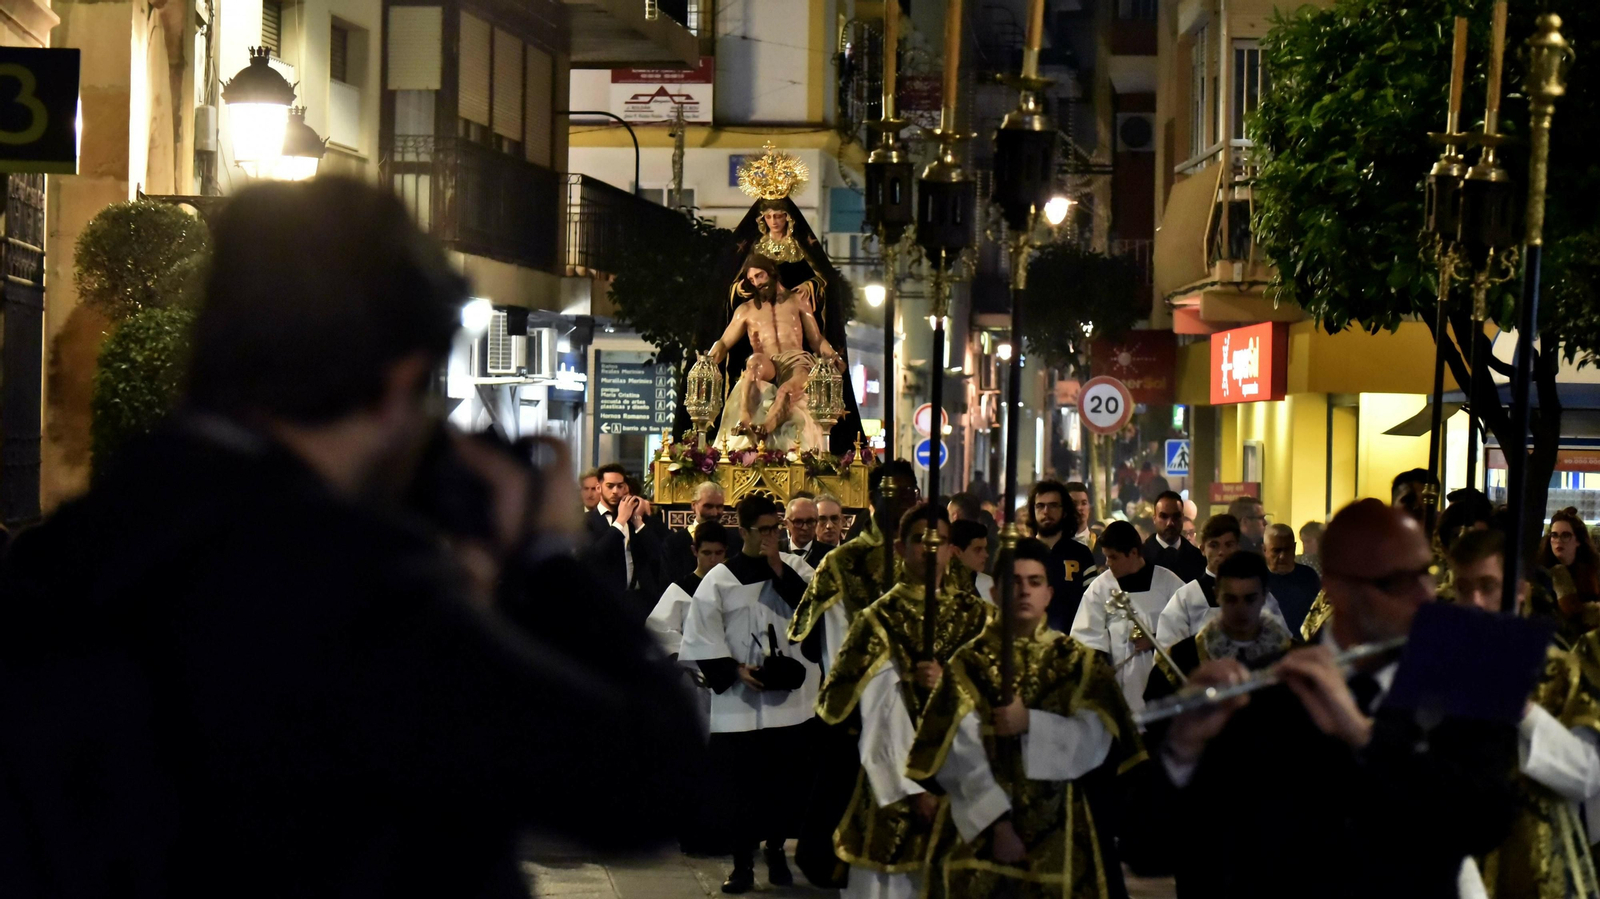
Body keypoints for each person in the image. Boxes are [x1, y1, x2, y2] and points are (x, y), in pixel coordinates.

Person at [0, 177, 705, 896]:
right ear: (400, 380)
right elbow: (651, 777)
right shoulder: (359, 591)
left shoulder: (64, 557)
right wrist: (547, 555)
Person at [1151, 499, 1521, 898]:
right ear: (1338, 589)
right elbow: (1153, 850)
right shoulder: (1269, 689)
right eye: (1397, 582)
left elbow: (1487, 820)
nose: (1424, 597)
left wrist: (1365, 737)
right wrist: (1182, 753)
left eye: (1426, 575)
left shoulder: (1458, 685)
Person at [907, 538, 1146, 898]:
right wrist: (996, 822)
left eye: (1034, 582)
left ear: (1049, 593)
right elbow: (956, 751)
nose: (1024, 591)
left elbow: (1096, 740)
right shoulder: (968, 662)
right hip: (978, 831)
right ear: (995, 590)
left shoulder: (1076, 662)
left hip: (1061, 823)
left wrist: (1031, 723)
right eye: (1014, 582)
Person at [814, 504, 993, 899]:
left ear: (952, 550)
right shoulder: (878, 619)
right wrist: (912, 788)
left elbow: (996, 699)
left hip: (965, 781)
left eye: (940, 542)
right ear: (899, 548)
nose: (930, 551)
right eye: (919, 541)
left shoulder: (979, 616)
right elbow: (879, 713)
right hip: (895, 788)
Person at [679, 494, 820, 893]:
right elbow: (700, 636)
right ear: (742, 532)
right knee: (739, 789)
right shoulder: (720, 579)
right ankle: (742, 864)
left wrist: (777, 567)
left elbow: (815, 616)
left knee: (784, 787)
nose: (772, 537)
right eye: (764, 531)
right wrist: (736, 670)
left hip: (790, 705)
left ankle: (776, 852)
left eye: (776, 528)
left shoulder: (797, 569)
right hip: (738, 705)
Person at [790, 461, 920, 674]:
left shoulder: (927, 556)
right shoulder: (842, 561)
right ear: (873, 499)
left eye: (910, 492)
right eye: (892, 492)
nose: (903, 500)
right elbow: (811, 640)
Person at [1146, 551, 1294, 704]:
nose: (1240, 609)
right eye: (1231, 599)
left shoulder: (1291, 658)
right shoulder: (1181, 659)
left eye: (1250, 599)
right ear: (1216, 594)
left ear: (1264, 595)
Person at [1070, 521, 1186, 715]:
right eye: (1106, 557)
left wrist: (1156, 640)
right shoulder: (1101, 587)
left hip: (1162, 690)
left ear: (1133, 553)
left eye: (1113, 557)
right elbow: (1086, 636)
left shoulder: (1168, 583)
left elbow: (1188, 631)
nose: (1107, 563)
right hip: (1118, 688)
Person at [1156, 514, 1287, 652]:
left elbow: (1281, 642)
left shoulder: (1258, 594)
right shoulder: (1185, 598)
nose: (1222, 552)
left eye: (1229, 545)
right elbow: (1169, 653)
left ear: (1238, 547)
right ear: (1202, 549)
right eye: (1214, 545)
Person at [581, 461, 665, 616]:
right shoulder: (586, 521)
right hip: (605, 602)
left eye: (620, 486)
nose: (615, 491)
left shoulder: (634, 518)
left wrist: (637, 521)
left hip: (641, 599)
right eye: (610, 486)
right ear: (599, 487)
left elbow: (658, 553)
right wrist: (620, 521)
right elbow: (595, 556)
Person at [647, 521, 731, 659]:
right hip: (694, 664)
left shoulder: (733, 586)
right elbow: (660, 629)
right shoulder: (680, 589)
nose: (713, 559)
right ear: (694, 551)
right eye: (707, 553)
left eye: (719, 553)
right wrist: (691, 651)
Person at [1026, 479, 1098, 631]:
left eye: (1053, 506)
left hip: (1072, 642)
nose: (1046, 512)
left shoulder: (1081, 554)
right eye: (1040, 506)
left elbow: (1093, 603)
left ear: (1064, 511)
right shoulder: (1021, 553)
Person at [662, 481, 727, 588]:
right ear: (694, 505)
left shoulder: (734, 540)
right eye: (708, 506)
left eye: (719, 506)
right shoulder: (674, 543)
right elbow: (667, 586)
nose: (715, 513)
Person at [1264, 522, 1322, 636]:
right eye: (1276, 551)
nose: (1282, 556)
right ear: (1264, 550)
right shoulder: (1258, 578)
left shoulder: (1308, 576)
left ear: (1294, 548)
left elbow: (1319, 616)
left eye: (1287, 550)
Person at [1143, 490, 1207, 583]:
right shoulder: (1141, 558)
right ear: (1154, 519)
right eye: (1164, 516)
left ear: (1182, 518)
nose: (1170, 523)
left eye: (1176, 516)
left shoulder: (1198, 559)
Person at [950, 518, 993, 603]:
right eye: (978, 549)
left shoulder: (989, 585)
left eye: (985, 548)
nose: (986, 555)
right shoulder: (942, 585)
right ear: (957, 551)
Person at [784, 496, 834, 568]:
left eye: (810, 522)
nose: (805, 527)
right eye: (798, 522)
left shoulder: (830, 555)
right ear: (786, 524)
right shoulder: (775, 552)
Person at [1066, 482, 1095, 547]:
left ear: (1089, 507)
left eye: (1084, 503)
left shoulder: (1100, 544)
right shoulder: (1054, 544)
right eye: (1074, 504)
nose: (1079, 508)